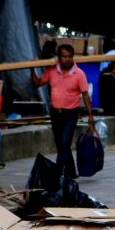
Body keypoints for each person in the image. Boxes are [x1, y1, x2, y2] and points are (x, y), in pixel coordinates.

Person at [30, 43, 94, 179]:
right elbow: (38, 83)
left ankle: (58, 174)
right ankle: (71, 172)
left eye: (70, 56)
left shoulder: (79, 74)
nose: (67, 59)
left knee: (65, 142)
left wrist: (90, 115)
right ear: (59, 57)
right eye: (64, 56)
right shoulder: (52, 71)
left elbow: (85, 95)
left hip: (71, 113)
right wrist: (32, 69)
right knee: (61, 144)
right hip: (56, 112)